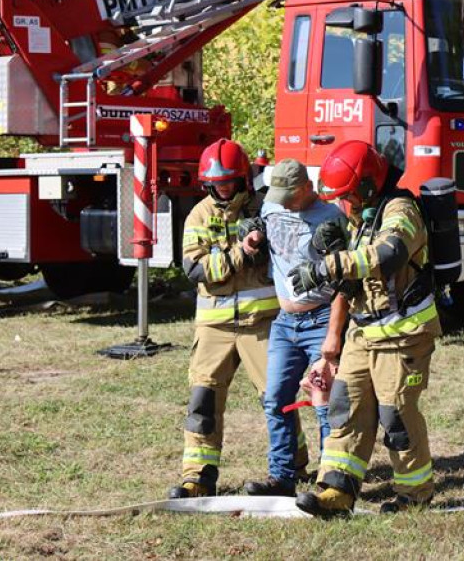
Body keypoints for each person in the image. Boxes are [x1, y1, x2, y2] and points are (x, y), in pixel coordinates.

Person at [290, 141, 441, 517]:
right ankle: (336, 490)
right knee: (346, 407)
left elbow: (389, 254)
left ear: (370, 186)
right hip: (363, 333)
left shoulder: (400, 210)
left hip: (403, 335)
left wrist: (330, 266)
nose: (345, 204)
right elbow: (358, 281)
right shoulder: (362, 218)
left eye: (349, 196)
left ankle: (414, 495)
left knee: (396, 417)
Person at [167, 139, 311, 499]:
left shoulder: (266, 208)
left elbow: (291, 251)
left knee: (277, 398)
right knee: (203, 400)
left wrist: (267, 243)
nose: (224, 189)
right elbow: (195, 268)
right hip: (214, 327)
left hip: (262, 325)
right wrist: (241, 252)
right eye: (217, 183)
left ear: (244, 179)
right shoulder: (199, 214)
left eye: (230, 182)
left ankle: (294, 464)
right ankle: (197, 476)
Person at [243, 158, 346, 497]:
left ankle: (329, 480)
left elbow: (347, 281)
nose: (283, 201)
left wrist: (334, 332)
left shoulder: (331, 218)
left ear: (307, 187)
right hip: (285, 322)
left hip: (320, 318)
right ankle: (283, 477)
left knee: (324, 402)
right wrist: (252, 235)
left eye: (290, 194)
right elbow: (259, 225)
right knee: (275, 399)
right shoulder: (272, 205)